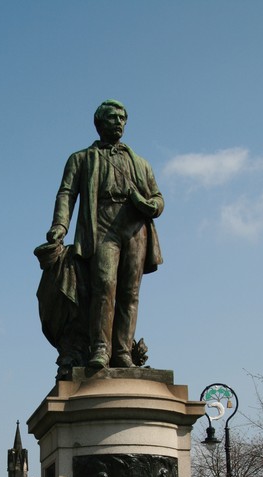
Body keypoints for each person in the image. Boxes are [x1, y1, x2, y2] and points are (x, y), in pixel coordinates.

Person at [46, 100, 164, 369]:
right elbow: (67, 193)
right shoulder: (81, 158)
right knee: (104, 286)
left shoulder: (141, 163)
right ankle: (100, 348)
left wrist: (152, 205)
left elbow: (157, 196)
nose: (119, 122)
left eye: (122, 118)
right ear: (99, 123)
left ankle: (122, 351)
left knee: (130, 292)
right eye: (112, 118)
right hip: (101, 223)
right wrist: (60, 226)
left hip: (135, 226)